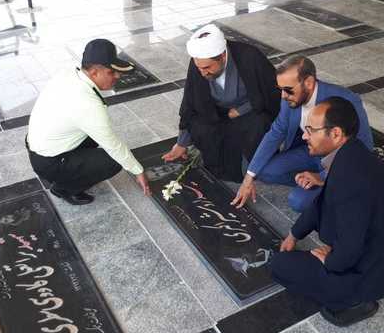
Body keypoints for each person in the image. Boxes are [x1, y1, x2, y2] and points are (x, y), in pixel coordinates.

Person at [271, 97, 384, 327]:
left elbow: (351, 245)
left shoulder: (351, 175)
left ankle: (354, 300)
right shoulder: (351, 153)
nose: (305, 136)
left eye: (310, 130)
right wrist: (294, 234)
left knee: (280, 265)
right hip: (376, 253)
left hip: (372, 270)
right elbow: (321, 203)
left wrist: (330, 261)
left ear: (336, 134)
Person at [231, 55, 373, 212]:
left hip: (339, 162)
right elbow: (276, 132)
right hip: (309, 152)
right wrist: (248, 178)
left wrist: (322, 176)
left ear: (309, 83)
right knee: (262, 171)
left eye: (288, 90)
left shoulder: (347, 100)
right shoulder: (289, 98)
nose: (283, 96)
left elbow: (364, 147)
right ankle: (311, 182)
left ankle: (336, 186)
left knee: (298, 202)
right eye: (280, 89)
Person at [26, 39, 151, 205]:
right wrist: (138, 171)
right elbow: (113, 145)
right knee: (113, 161)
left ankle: (68, 171)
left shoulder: (70, 74)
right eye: (111, 72)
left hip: (39, 145)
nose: (117, 76)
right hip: (49, 161)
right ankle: (64, 188)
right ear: (94, 72)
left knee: (95, 134)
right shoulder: (87, 103)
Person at [162, 24, 280, 182]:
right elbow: (190, 102)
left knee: (259, 123)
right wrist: (181, 144)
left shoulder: (250, 57)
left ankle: (254, 165)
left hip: (249, 111)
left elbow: (270, 92)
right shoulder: (199, 64)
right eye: (199, 68)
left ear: (223, 56)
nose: (203, 73)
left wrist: (240, 110)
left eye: (207, 68)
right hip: (216, 113)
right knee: (200, 126)